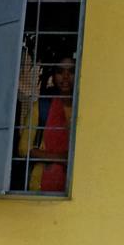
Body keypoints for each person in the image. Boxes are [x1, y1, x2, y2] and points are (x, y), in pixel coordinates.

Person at [31, 55, 75, 193]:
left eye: (71, 71)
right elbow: (25, 149)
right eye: (60, 72)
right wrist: (62, 158)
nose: (66, 77)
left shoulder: (87, 110)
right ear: (54, 76)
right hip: (40, 185)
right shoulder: (42, 107)